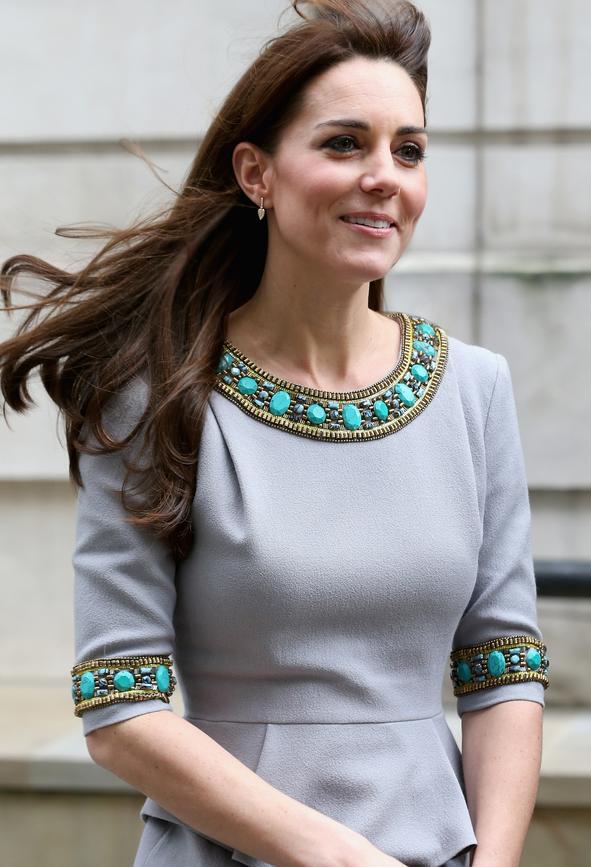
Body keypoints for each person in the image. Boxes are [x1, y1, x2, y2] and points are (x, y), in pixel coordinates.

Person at [0, 1, 550, 865]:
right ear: (256, 173)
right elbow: (121, 705)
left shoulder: (475, 389)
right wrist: (337, 855)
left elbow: (503, 668)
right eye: (344, 143)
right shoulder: (151, 398)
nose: (385, 176)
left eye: (408, 149)